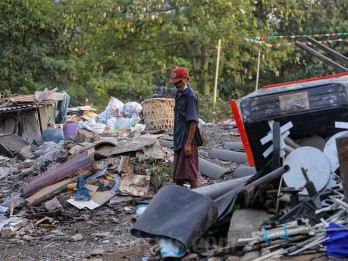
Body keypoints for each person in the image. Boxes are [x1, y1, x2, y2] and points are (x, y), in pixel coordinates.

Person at [169, 67, 199, 189]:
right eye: (175, 83)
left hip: (187, 142)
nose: (177, 85)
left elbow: (193, 121)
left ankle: (199, 201)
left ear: (187, 79)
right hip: (179, 140)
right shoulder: (178, 94)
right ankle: (179, 202)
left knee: (191, 176)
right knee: (178, 176)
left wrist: (188, 143)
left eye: (180, 81)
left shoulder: (191, 96)